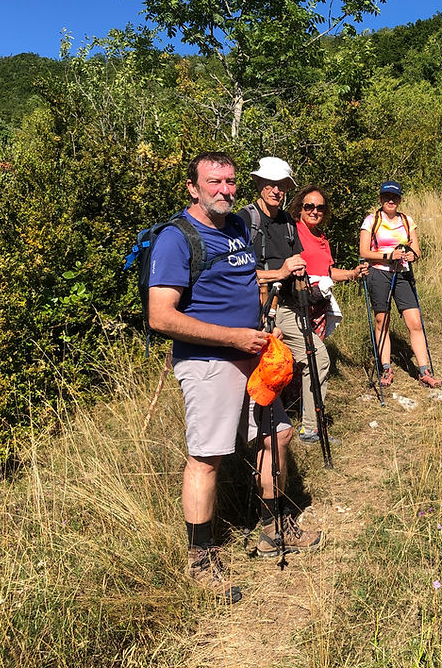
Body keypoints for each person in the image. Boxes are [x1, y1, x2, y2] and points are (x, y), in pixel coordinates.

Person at [148, 151, 323, 603]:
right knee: (207, 457)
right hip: (209, 362)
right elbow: (160, 316)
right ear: (193, 188)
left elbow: (246, 281)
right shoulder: (177, 238)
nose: (225, 189)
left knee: (278, 435)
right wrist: (232, 337)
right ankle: (200, 558)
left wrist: (262, 323)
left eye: (229, 181)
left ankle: (273, 527)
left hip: (253, 355)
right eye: (214, 182)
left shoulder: (238, 228)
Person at [236, 158, 332, 445]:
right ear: (259, 183)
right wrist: (279, 273)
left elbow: (296, 262)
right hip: (252, 308)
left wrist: (304, 286)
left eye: (281, 185)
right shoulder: (243, 220)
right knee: (254, 372)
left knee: (317, 358)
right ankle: (254, 438)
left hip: (286, 307)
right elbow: (234, 273)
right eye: (270, 184)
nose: (276, 190)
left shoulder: (289, 223)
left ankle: (309, 429)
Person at [288, 184, 368, 440]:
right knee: (311, 361)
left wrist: (353, 273)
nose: (314, 211)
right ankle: (306, 424)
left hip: (317, 306)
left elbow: (328, 272)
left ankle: (300, 414)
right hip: (297, 305)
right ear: (299, 208)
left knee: (308, 362)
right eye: (309, 206)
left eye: (320, 207)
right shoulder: (292, 232)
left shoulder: (322, 238)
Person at [359, 181, 442, 388]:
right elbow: (364, 252)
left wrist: (412, 255)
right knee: (382, 321)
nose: (391, 201)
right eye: (387, 197)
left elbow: (417, 250)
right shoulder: (371, 220)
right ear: (381, 199)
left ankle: (424, 371)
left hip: (402, 274)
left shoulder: (407, 220)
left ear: (399, 199)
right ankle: (386, 368)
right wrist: (388, 255)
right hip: (379, 274)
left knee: (415, 322)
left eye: (395, 197)